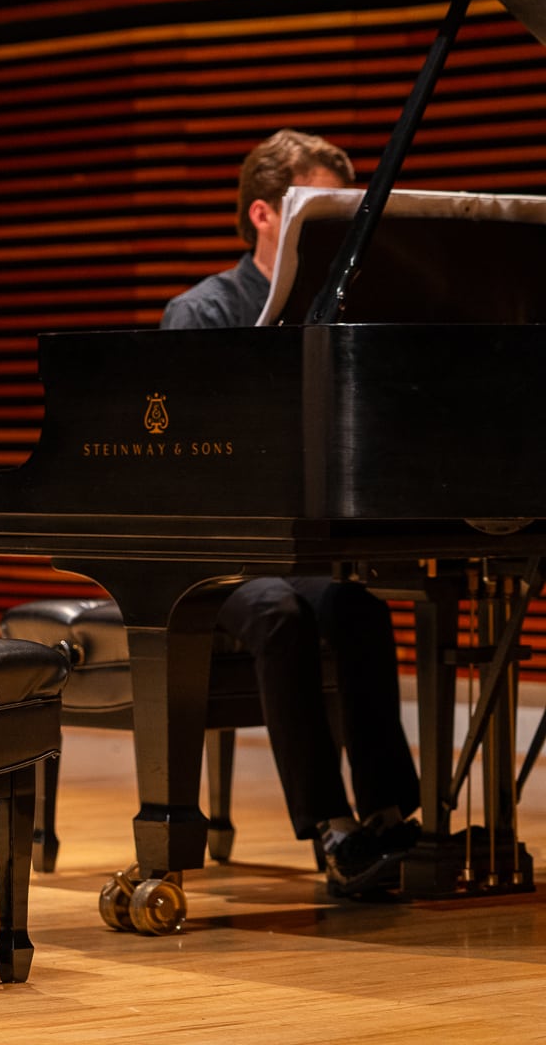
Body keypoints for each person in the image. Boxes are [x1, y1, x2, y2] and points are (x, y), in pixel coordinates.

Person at [163, 128, 421, 897]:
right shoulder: (202, 312)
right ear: (264, 215)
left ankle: (387, 812)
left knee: (359, 609)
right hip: (214, 555)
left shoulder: (335, 316)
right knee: (277, 610)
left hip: (294, 549)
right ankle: (329, 827)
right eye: (317, 208)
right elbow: (185, 465)